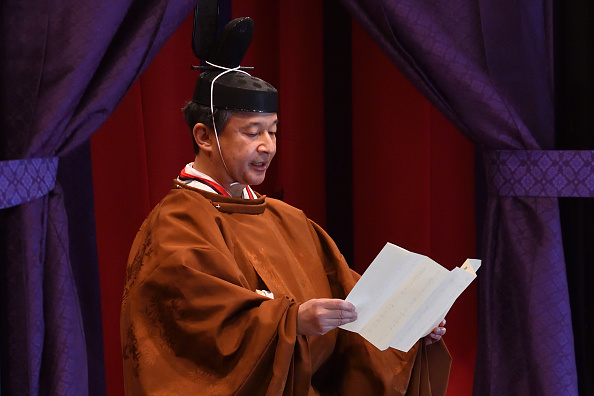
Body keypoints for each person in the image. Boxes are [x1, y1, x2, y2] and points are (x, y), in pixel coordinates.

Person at [120, 17, 451, 395]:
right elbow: (199, 332)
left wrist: (409, 324)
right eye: (252, 132)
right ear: (204, 136)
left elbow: (353, 300)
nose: (268, 146)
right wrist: (291, 322)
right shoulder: (175, 226)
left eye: (273, 131)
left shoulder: (287, 219)